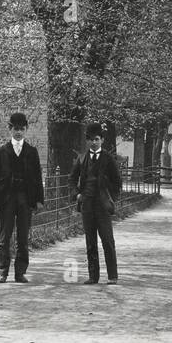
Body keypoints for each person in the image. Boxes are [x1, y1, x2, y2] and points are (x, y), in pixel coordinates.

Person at [0, 112, 45, 282]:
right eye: (15, 129)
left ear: (26, 129)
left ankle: (20, 272)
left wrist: (39, 200)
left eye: (21, 129)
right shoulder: (1, 151)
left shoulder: (32, 152)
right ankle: (2, 271)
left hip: (25, 199)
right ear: (10, 129)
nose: (18, 132)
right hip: (6, 199)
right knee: (4, 236)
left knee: (23, 237)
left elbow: (37, 178)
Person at [70, 122, 122, 284]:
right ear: (87, 141)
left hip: (102, 206)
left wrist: (110, 198)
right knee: (90, 241)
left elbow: (117, 182)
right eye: (91, 139)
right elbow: (72, 179)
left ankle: (112, 276)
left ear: (102, 140)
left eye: (97, 139)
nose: (94, 142)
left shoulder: (108, 159)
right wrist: (77, 195)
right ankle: (93, 276)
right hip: (87, 205)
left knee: (107, 240)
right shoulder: (82, 158)